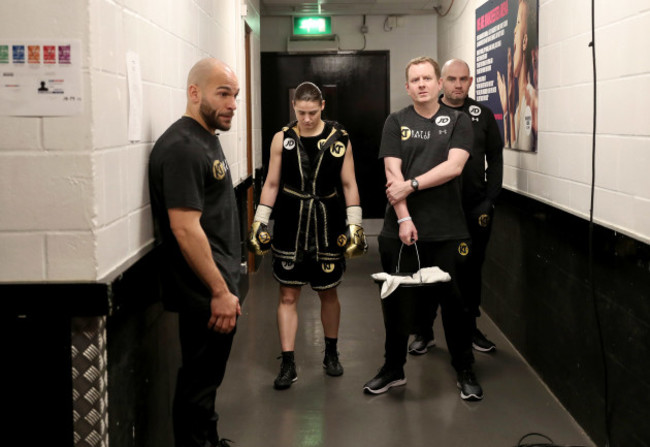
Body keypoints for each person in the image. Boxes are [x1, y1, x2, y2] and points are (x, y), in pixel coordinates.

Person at [363, 56, 483, 401]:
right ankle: (393, 368)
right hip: (399, 229)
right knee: (396, 302)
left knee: (456, 304)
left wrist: (412, 185)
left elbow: (454, 166)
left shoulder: (458, 121)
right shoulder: (396, 121)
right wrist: (403, 217)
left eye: (427, 78)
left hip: (448, 229)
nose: (421, 84)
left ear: (439, 83)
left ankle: (464, 369)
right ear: (407, 86)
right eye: (414, 79)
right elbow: (391, 174)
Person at [248, 81, 367, 390]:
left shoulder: (340, 140)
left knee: (328, 291)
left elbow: (350, 184)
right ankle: (288, 362)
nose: (307, 119)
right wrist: (259, 221)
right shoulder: (282, 139)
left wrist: (355, 225)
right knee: (288, 294)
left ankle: (331, 353)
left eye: (312, 112)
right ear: (294, 109)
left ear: (322, 106)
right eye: (301, 113)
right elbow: (272, 183)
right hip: (290, 220)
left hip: (328, 221)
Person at [148, 58, 241, 447]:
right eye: (223, 94)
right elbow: (184, 227)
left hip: (216, 285)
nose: (233, 104)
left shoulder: (205, 139)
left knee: (206, 380)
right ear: (194, 93)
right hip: (204, 292)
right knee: (198, 384)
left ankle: (209, 440)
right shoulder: (184, 147)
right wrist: (219, 291)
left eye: (235, 95)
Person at [408, 58, 504, 356]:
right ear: (441, 82)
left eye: (463, 79)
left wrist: (489, 200)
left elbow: (496, 159)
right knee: (428, 271)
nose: (458, 85)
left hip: (474, 208)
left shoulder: (482, 115)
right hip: (436, 209)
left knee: (470, 272)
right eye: (452, 79)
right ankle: (425, 331)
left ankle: (470, 328)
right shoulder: (426, 115)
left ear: (470, 82)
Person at [497, 0, 538, 151]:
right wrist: (508, 111)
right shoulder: (520, 103)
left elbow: (524, 148)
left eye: (518, 22)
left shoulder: (530, 100)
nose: (514, 31)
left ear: (525, 42)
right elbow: (513, 146)